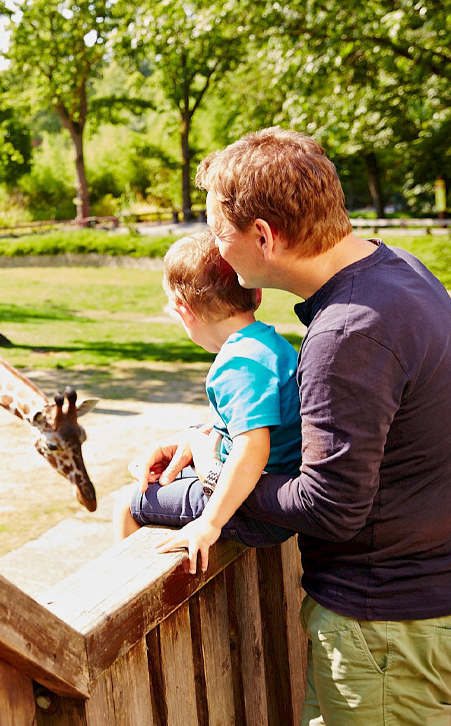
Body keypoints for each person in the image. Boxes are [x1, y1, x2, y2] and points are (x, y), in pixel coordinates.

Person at [146, 128, 451, 724]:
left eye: (218, 233)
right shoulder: (401, 274)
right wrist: (215, 437)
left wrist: (214, 474)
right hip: (420, 612)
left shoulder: (348, 333)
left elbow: (328, 507)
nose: (217, 250)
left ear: (263, 236)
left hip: (386, 629)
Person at [114, 232, 300, 573]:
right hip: (274, 493)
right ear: (255, 293)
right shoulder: (272, 346)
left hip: (255, 508)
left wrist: (209, 523)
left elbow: (252, 449)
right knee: (159, 479)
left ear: (185, 312)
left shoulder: (236, 364)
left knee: (128, 505)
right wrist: (194, 443)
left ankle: (123, 590)